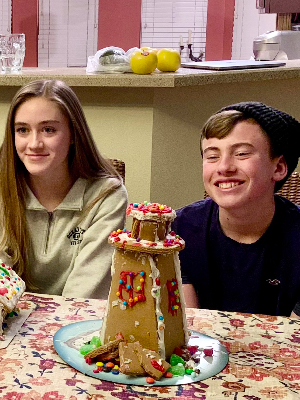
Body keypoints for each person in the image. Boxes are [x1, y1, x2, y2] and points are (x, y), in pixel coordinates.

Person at [0, 79, 128, 299]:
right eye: (22, 130)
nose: (34, 144)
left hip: (76, 324)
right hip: (11, 322)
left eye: (48, 130)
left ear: (72, 135)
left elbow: (84, 294)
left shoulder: (107, 196)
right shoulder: (3, 189)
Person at [172, 101, 300, 318]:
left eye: (241, 154)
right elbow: (190, 327)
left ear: (278, 168)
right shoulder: (181, 229)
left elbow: (292, 339)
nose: (224, 167)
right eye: (212, 156)